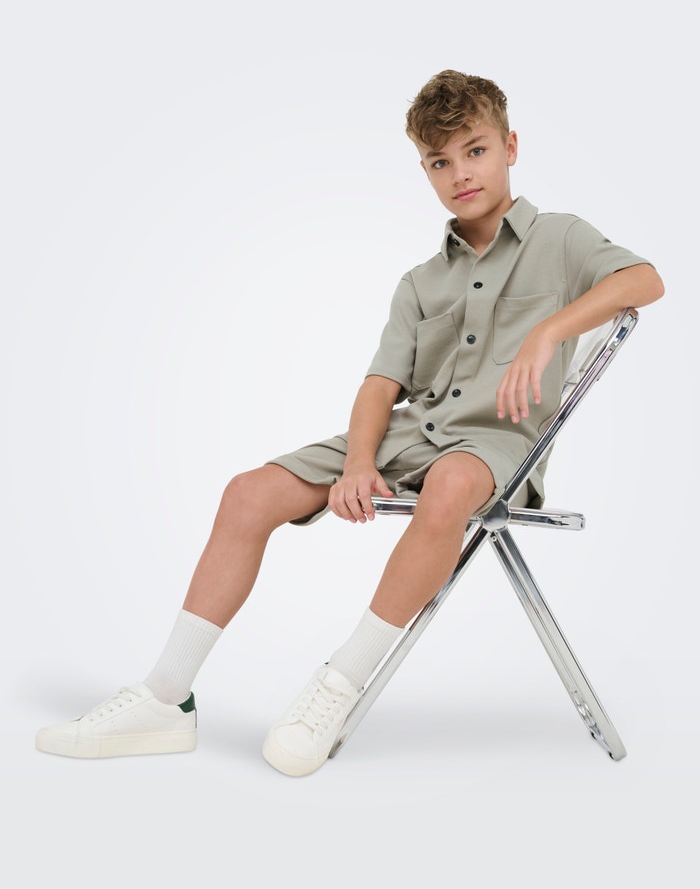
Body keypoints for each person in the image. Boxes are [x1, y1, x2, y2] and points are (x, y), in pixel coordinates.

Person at [35, 70, 664, 776]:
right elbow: (380, 386)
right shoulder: (420, 282)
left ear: (510, 147)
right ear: (424, 170)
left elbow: (644, 280)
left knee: (452, 485)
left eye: (476, 150)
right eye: (440, 161)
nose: (461, 173)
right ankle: (164, 698)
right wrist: (360, 462)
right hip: (410, 434)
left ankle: (337, 685)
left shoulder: (561, 238)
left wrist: (550, 330)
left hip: (495, 445)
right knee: (247, 493)